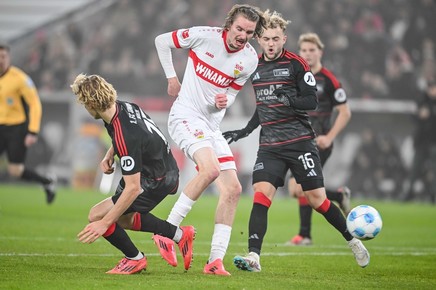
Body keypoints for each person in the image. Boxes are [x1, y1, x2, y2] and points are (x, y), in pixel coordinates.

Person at [222, 10, 369, 272]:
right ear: (259, 40)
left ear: (284, 39)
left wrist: (291, 100)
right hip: (269, 146)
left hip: (300, 142)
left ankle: (352, 240)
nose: (270, 43)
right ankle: (254, 257)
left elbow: (311, 100)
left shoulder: (297, 64)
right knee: (261, 195)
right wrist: (243, 131)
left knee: (317, 201)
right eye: (266, 38)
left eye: (275, 38)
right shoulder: (254, 66)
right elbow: (263, 106)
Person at [152, 4, 266, 275]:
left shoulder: (250, 59)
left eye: (249, 32)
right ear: (229, 25)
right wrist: (172, 78)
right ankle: (167, 231)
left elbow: (233, 92)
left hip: (211, 126)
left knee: (234, 189)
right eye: (239, 28)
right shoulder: (204, 36)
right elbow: (161, 41)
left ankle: (215, 261)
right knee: (211, 170)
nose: (243, 35)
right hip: (185, 116)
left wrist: (224, 101)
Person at [71, 73, 195, 274]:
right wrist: (110, 153)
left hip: (156, 180)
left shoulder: (124, 133)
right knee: (123, 218)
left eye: (84, 103)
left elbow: (133, 188)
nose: (85, 108)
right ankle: (180, 236)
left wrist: (104, 224)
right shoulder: (122, 106)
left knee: (99, 216)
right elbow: (127, 137)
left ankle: (135, 259)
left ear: (92, 103)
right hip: (161, 168)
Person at [286, 32, 352, 246]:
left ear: (320, 52)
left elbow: (345, 112)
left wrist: (329, 137)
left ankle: (304, 235)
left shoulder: (329, 80)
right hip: (299, 140)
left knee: (301, 186)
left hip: (319, 143)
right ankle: (339, 196)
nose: (307, 54)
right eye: (304, 50)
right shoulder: (296, 77)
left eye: (311, 50)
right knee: (296, 189)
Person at [0, 43, 56, 204]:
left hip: (16, 128)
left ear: (8, 58)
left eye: (3, 57)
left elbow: (35, 104)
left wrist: (33, 131)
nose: (1, 60)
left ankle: (47, 182)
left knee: (15, 170)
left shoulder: (20, 79)